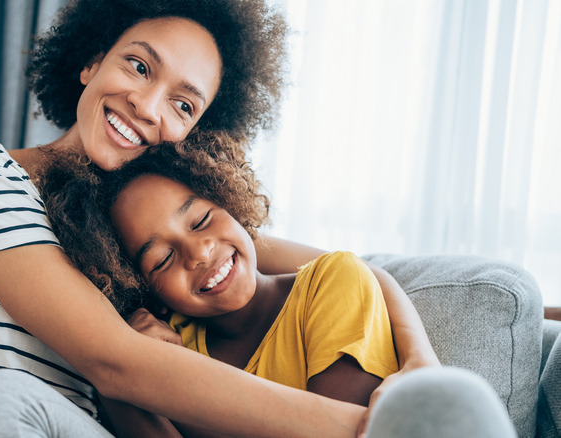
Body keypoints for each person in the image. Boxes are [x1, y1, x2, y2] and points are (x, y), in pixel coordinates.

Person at [0, 0, 439, 437]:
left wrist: (421, 363)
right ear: (92, 60)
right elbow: (114, 362)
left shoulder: (147, 228)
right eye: (139, 66)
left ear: (195, 132)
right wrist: (384, 428)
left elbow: (354, 268)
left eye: (183, 104)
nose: (147, 106)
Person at [38, 134, 517, 437]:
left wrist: (419, 357)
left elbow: (342, 426)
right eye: (162, 259)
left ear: (229, 200)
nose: (200, 253)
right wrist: (138, 378)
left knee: (460, 397)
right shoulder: (168, 346)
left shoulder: (332, 283)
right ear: (141, 285)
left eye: (203, 219)